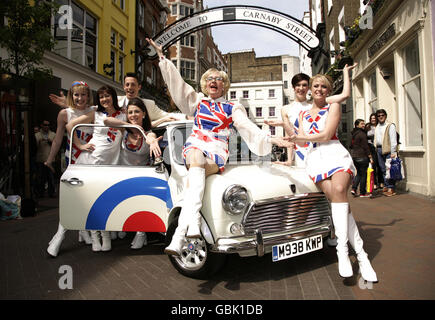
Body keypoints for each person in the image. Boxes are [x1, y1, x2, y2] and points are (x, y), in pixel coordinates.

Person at [147, 38, 292, 256]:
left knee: (193, 182)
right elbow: (179, 86)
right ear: (205, 85)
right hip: (195, 143)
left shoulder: (233, 107)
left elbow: (247, 128)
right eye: (210, 79)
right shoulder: (197, 102)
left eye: (219, 79)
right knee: (195, 158)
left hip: (217, 149)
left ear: (224, 85)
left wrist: (271, 140)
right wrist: (163, 59)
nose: (214, 81)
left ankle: (180, 235)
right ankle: (193, 224)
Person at [287, 74, 377, 282]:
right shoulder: (302, 115)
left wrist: (301, 138)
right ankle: (363, 257)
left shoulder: (333, 106)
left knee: (338, 191)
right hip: (315, 160)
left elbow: (327, 135)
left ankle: (343, 251)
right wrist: (288, 139)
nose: (319, 89)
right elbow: (301, 143)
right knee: (342, 207)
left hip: (335, 154)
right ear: (310, 88)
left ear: (328, 91)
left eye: (323, 86)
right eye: (315, 85)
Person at [64, 85, 126, 252]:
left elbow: (144, 120)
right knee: (91, 201)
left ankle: (105, 234)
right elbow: (70, 126)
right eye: (101, 97)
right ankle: (95, 236)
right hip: (91, 162)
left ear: (113, 96)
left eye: (107, 96)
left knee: (105, 201)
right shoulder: (95, 114)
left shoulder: (123, 114)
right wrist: (80, 145)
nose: (104, 99)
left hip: (111, 165)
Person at [104, 97, 163, 250]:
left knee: (142, 197)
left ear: (143, 113)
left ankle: (141, 232)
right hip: (123, 175)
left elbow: (151, 138)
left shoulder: (148, 133)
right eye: (130, 112)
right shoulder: (124, 129)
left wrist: (153, 141)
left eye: (137, 111)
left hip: (142, 177)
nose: (133, 115)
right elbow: (107, 122)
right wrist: (128, 124)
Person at [46, 81, 95, 257]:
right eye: (76, 94)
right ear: (71, 95)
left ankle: (83, 230)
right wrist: (50, 160)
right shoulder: (64, 114)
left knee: (86, 196)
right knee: (71, 197)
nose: (80, 98)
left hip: (90, 160)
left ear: (88, 96)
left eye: (83, 94)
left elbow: (114, 103)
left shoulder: (94, 111)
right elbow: (58, 139)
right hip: (72, 160)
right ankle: (61, 234)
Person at [374, 109, 398, 197]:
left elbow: (393, 140)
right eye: (379, 116)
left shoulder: (390, 126)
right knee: (383, 169)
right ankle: (387, 186)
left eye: (382, 115)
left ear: (385, 116)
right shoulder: (377, 126)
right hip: (379, 149)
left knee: (389, 170)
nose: (380, 117)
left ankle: (391, 188)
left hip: (388, 150)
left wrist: (393, 152)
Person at [350, 119, 373, 197]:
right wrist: (370, 157)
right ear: (357, 125)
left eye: (364, 123)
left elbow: (351, 145)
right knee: (363, 175)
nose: (363, 125)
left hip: (354, 157)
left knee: (359, 174)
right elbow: (365, 147)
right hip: (362, 156)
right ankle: (362, 192)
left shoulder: (354, 134)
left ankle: (354, 189)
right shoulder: (362, 134)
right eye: (362, 124)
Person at [34, 120, 56, 198]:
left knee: (51, 177)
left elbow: (56, 145)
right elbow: (33, 147)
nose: (47, 126)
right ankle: (40, 193)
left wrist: (51, 142)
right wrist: (39, 142)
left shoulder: (53, 134)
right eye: (45, 125)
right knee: (40, 178)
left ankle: (51, 193)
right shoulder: (37, 135)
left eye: (48, 125)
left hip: (50, 159)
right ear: (41, 125)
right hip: (40, 159)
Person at [365, 113, 383, 190]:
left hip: (379, 147)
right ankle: (374, 183)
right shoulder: (368, 127)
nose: (373, 119)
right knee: (374, 165)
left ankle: (381, 182)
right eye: (372, 118)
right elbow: (364, 138)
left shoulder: (380, 126)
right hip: (371, 147)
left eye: (374, 118)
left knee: (380, 165)